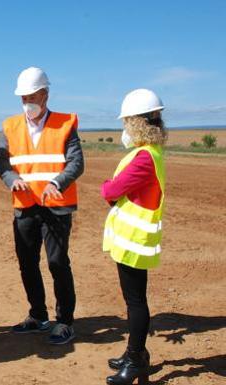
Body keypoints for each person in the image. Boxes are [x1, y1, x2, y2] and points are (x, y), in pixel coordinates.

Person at [0, 67, 84, 345]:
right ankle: (38, 315)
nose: (27, 102)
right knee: (27, 263)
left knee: (57, 262)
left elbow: (76, 162)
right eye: (23, 97)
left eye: (32, 96)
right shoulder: (10, 126)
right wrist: (11, 178)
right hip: (25, 206)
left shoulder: (66, 122)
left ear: (45, 94)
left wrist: (58, 182)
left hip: (56, 206)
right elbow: (1, 161)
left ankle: (65, 321)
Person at [102, 89, 167, 385]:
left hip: (133, 241)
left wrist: (109, 187)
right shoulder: (149, 153)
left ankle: (135, 358)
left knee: (136, 303)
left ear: (138, 123)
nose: (125, 128)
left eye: (127, 121)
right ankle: (135, 355)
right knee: (135, 300)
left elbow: (110, 191)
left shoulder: (143, 158)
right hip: (132, 239)